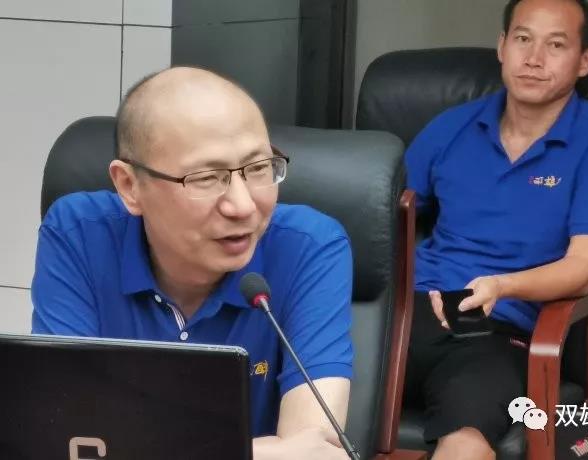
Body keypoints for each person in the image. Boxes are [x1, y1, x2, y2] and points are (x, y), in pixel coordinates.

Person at [31, 66, 355, 460]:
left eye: (258, 169)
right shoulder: (78, 233)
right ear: (130, 187)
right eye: (206, 178)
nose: (243, 206)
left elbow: (318, 450)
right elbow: (68, 434)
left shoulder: (309, 246)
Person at [403, 0, 588, 458]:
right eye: (523, 39)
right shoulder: (450, 127)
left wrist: (501, 286)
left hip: (496, 332)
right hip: (407, 316)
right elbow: (382, 220)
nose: (533, 58)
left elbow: (584, 269)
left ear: (585, 60)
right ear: (502, 46)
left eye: (556, 45)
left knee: (466, 440)